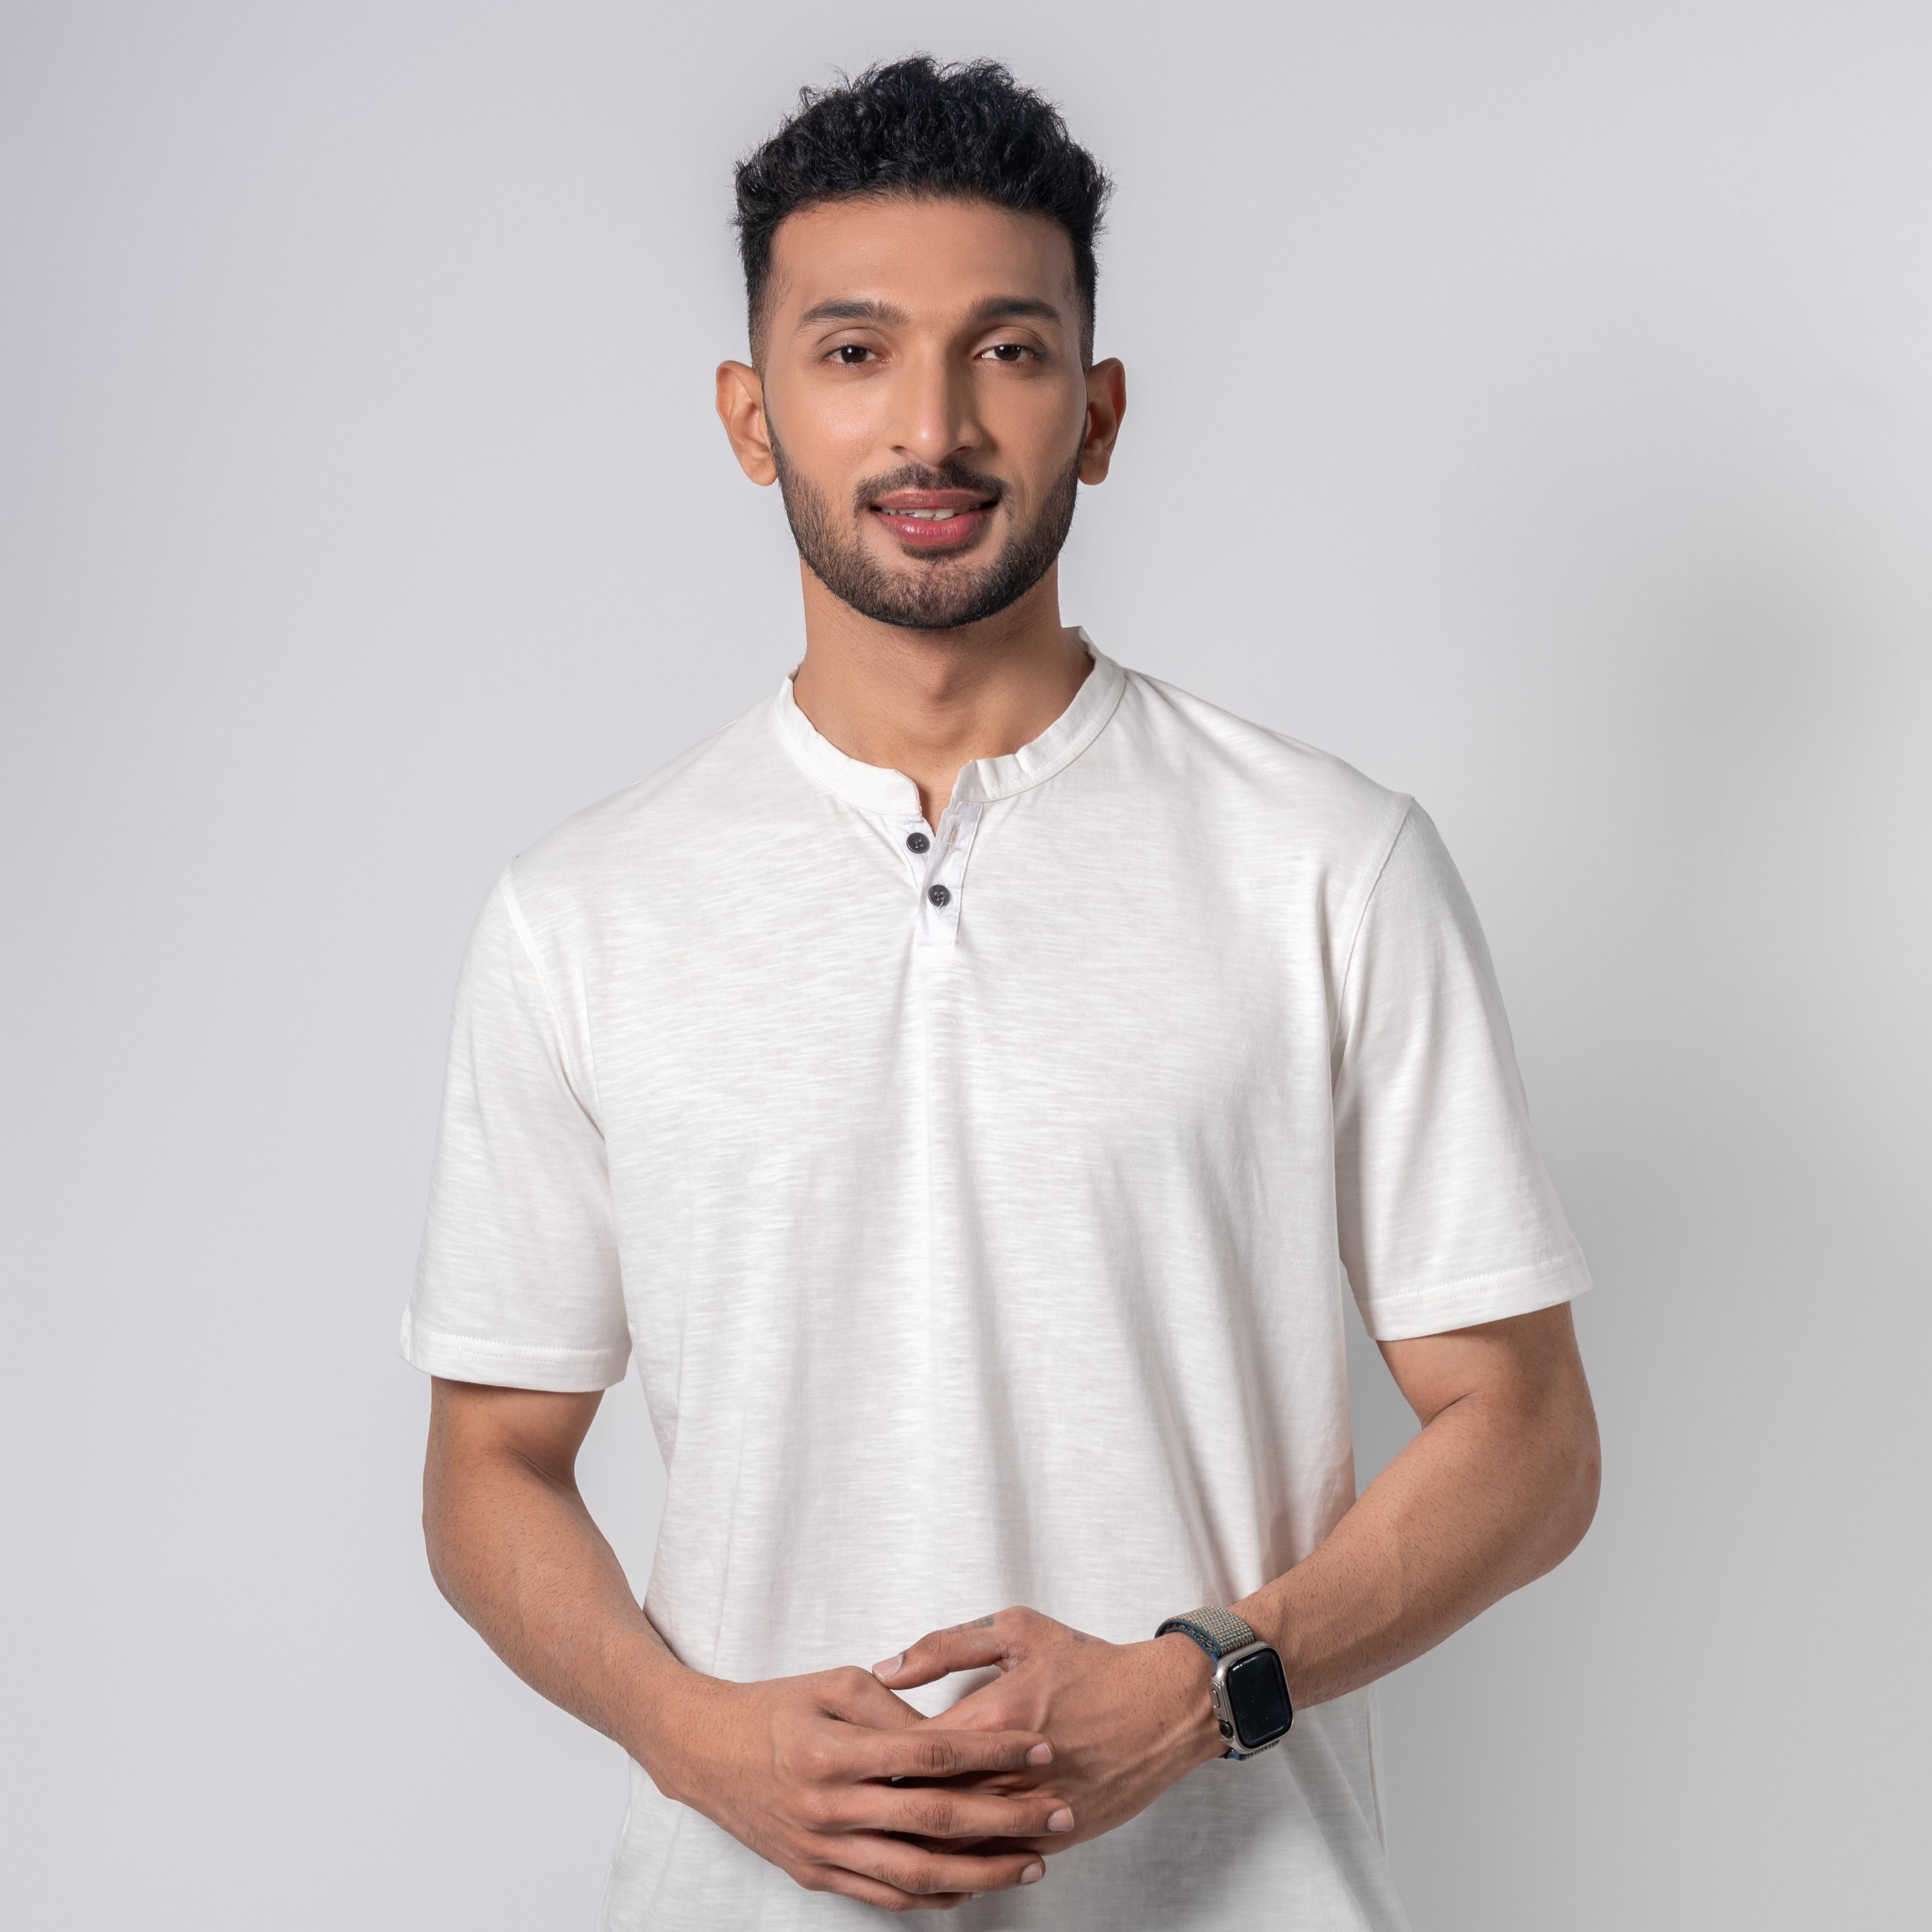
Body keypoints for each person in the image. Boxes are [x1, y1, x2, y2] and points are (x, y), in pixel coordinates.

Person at [404, 55, 1601, 1930]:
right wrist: (697, 1735)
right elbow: (487, 1464)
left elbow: (1527, 1437)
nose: (932, 430)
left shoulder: (1324, 862)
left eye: (1009, 351)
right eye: (855, 351)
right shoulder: (586, 913)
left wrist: (1204, 1684)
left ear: (1098, 410)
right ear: (751, 413)